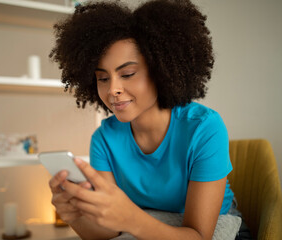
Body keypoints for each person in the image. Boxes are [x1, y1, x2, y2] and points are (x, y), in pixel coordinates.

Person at [48, 0, 240, 239]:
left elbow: (199, 235)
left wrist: (130, 218)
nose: (112, 90)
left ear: (161, 70)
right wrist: (75, 215)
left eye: (127, 74)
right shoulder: (104, 139)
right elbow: (109, 231)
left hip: (214, 228)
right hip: (144, 225)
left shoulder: (204, 128)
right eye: (103, 78)